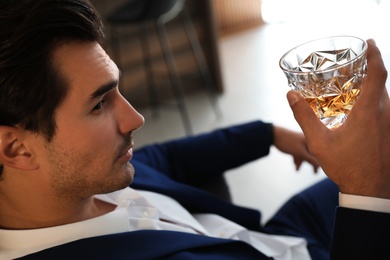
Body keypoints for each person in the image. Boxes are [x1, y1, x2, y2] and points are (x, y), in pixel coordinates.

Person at [0, 0, 388, 259]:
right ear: (16, 148)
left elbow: (165, 158)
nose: (136, 119)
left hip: (280, 236)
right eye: (99, 103)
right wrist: (366, 192)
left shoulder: (88, 180)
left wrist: (270, 134)